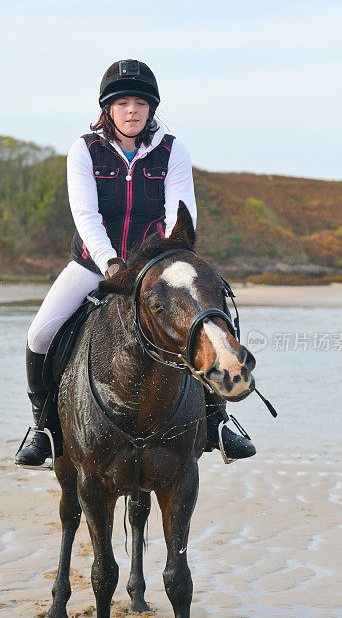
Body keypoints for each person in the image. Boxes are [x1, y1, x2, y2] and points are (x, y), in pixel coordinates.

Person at [15, 59, 256, 469]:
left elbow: (181, 213)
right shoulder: (84, 150)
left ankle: (218, 420)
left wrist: (165, 262)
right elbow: (86, 216)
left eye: (140, 103)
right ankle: (44, 428)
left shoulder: (172, 150)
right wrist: (111, 264)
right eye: (122, 103)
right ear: (107, 109)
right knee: (40, 335)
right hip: (96, 267)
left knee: (201, 323)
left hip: (155, 270)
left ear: (151, 108)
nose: (132, 111)